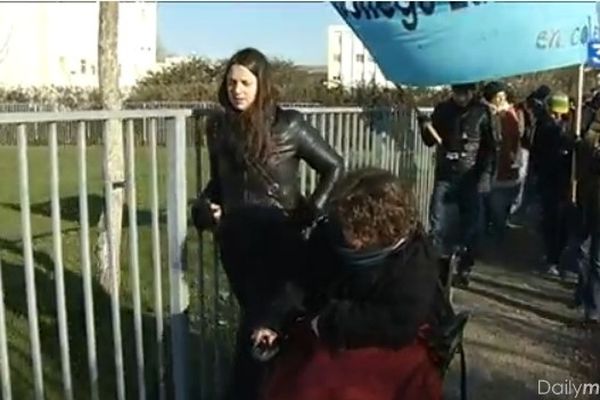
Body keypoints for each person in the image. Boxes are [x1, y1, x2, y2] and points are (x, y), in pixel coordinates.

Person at [190, 47, 345, 400]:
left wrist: (311, 210)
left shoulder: (288, 124)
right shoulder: (220, 128)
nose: (237, 90)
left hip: (280, 244)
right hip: (236, 246)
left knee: (261, 330)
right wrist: (203, 209)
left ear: (262, 84)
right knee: (266, 327)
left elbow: (334, 166)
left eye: (246, 82)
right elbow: (219, 185)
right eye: (231, 82)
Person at [262, 168, 445, 400]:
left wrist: (330, 320)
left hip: (389, 342)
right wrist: (274, 321)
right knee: (292, 378)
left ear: (383, 228)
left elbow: (400, 321)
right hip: (329, 332)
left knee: (333, 386)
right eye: (347, 226)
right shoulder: (330, 235)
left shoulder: (414, 260)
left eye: (360, 230)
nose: (351, 238)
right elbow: (302, 281)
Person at [419, 82, 499, 287]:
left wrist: (484, 174)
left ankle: (464, 267)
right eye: (457, 93)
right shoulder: (443, 110)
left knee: (471, 226)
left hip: (471, 176)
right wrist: (424, 126)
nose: (460, 97)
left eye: (464, 93)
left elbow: (490, 147)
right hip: (446, 174)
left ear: (471, 92)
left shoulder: (482, 112)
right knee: (437, 224)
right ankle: (438, 270)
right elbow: (429, 141)